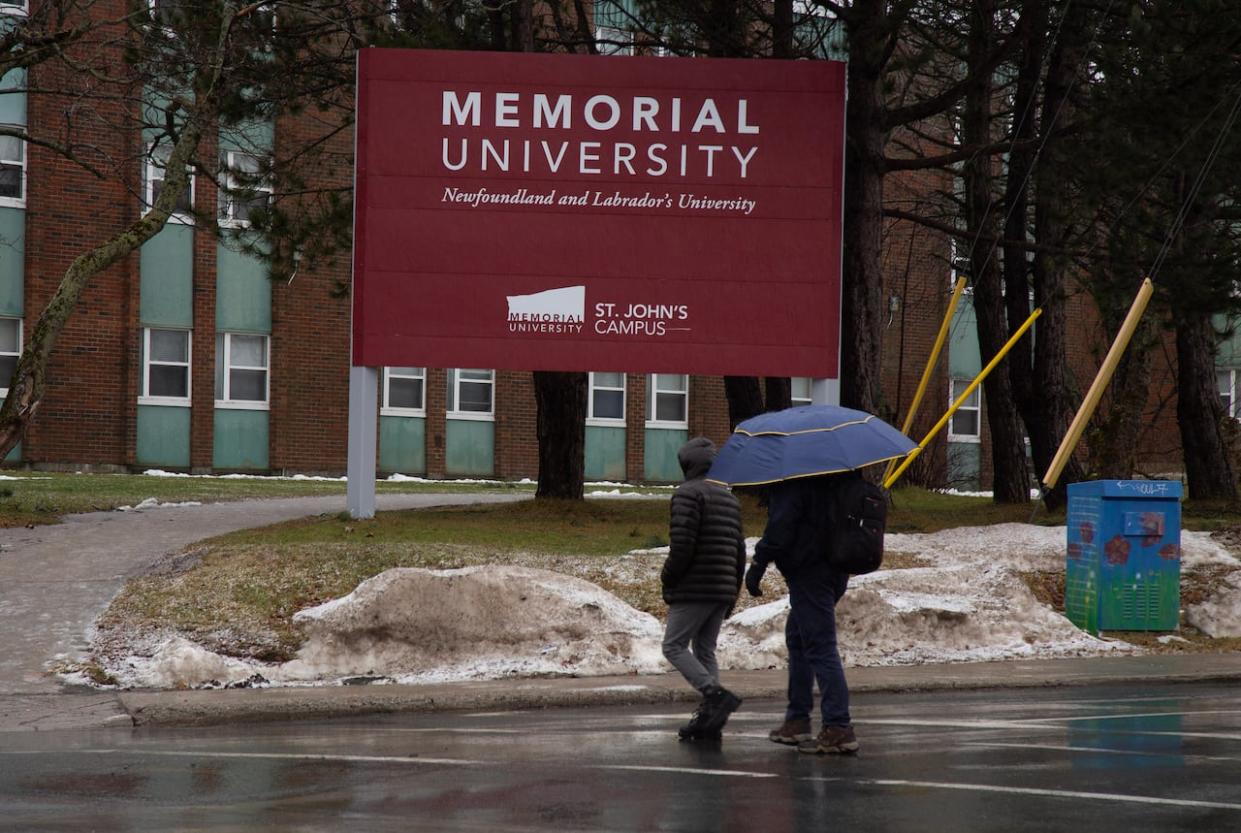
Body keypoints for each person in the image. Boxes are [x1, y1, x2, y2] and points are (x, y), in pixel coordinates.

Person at [745, 472, 860, 755]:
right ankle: (797, 719)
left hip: (810, 573)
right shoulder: (837, 477)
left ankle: (838, 726)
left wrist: (759, 563)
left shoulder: (795, 482)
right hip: (835, 568)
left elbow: (780, 527)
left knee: (820, 646)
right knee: (798, 638)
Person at [660, 436, 747, 741]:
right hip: (722, 587)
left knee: (673, 645)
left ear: (687, 465)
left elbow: (682, 545)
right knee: (705, 649)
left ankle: (714, 695)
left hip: (694, 586)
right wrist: (733, 590)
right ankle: (712, 720)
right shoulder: (729, 498)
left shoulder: (687, 494)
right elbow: (739, 550)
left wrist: (668, 577)